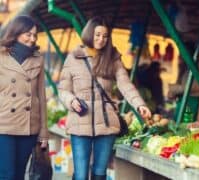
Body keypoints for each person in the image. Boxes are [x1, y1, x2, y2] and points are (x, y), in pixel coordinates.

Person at [58, 16, 151, 180]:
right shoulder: (74, 57)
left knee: (100, 173)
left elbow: (125, 84)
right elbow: (63, 90)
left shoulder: (112, 57)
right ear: (89, 34)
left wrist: (139, 104)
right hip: (80, 121)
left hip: (107, 123)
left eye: (105, 36)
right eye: (97, 35)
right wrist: (71, 101)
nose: (101, 40)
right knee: (80, 175)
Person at [0, 15, 48, 179]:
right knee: (7, 174)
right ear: (16, 32)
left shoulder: (38, 59)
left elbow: (41, 97)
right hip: (4, 125)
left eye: (35, 35)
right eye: (28, 34)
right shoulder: (1, 56)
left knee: (19, 174)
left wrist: (43, 133)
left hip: (29, 127)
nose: (32, 38)